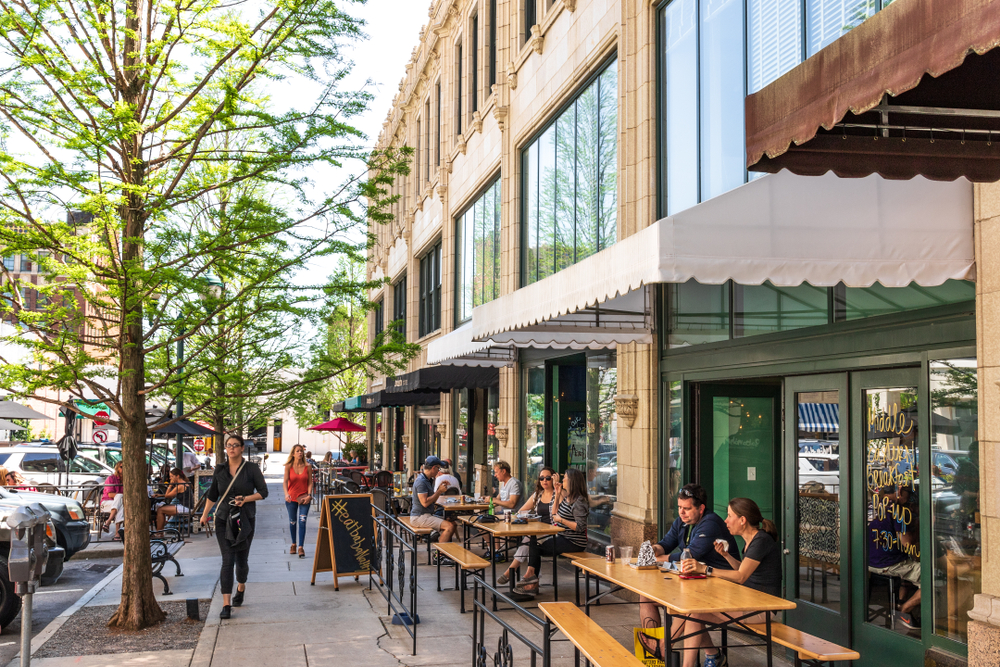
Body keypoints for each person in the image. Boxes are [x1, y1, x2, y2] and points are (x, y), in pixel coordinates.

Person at [676, 498, 782, 667]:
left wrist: (705, 570)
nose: (725, 520)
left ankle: (677, 653)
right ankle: (709, 657)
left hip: (763, 608)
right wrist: (726, 556)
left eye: (729, 515)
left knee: (694, 612)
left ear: (742, 520)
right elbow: (744, 569)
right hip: (749, 601)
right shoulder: (752, 541)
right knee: (693, 611)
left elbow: (741, 577)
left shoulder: (761, 541)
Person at [638, 484, 738, 662]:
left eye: (686, 508)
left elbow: (689, 555)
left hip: (724, 584)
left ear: (701, 508)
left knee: (686, 607)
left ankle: (663, 646)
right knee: (645, 596)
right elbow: (666, 543)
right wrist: (653, 549)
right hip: (698, 582)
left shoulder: (711, 523)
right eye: (679, 508)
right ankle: (653, 650)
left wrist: (658, 559)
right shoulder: (682, 522)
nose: (681, 513)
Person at [200, 434, 268, 620]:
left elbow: (264, 492)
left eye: (235, 445)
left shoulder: (251, 469)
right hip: (223, 517)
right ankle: (226, 604)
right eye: (228, 445)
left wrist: (245, 499)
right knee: (227, 560)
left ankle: (241, 586)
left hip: (244, 519)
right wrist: (205, 514)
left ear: (241, 448)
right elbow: (213, 494)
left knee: (242, 560)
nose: (231, 448)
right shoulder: (220, 470)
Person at [513, 468, 589, 596]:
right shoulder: (568, 498)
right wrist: (558, 493)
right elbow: (554, 514)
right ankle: (531, 578)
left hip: (574, 541)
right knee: (534, 541)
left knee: (535, 545)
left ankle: (531, 579)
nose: (562, 480)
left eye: (565, 478)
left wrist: (562, 520)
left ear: (572, 481)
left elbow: (580, 527)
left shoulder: (579, 501)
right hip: (563, 537)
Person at [868, 484, 921, 629]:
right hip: (888, 563)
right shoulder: (898, 510)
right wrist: (919, 525)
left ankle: (900, 601)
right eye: (909, 493)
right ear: (899, 491)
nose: (911, 498)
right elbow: (907, 543)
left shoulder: (874, 504)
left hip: (868, 560)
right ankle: (904, 611)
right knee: (934, 576)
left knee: (910, 566)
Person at [498, 467, 559, 584]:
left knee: (531, 540)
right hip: (538, 530)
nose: (544, 481)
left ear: (553, 479)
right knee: (531, 540)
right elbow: (521, 511)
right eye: (541, 478)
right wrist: (529, 517)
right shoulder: (538, 495)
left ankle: (513, 569)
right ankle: (531, 577)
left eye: (548, 478)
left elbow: (557, 515)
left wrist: (557, 490)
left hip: (554, 531)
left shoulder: (559, 494)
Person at [409, 456, 455, 542]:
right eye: (438, 468)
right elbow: (425, 503)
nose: (439, 470)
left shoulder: (427, 479)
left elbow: (431, 498)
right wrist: (439, 492)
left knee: (453, 524)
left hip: (425, 515)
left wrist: (439, 489)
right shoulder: (421, 481)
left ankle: (443, 551)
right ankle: (439, 554)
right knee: (449, 526)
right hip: (419, 517)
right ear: (433, 468)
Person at [283, 444, 313, 558]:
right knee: (292, 521)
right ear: (293, 453)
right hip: (292, 498)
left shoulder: (308, 466)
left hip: (304, 497)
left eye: (301, 451)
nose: (300, 453)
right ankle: (293, 544)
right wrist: (286, 494)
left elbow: (310, 482)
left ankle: (301, 547)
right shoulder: (288, 466)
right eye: (298, 451)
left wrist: (309, 495)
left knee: (302, 521)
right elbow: (285, 481)